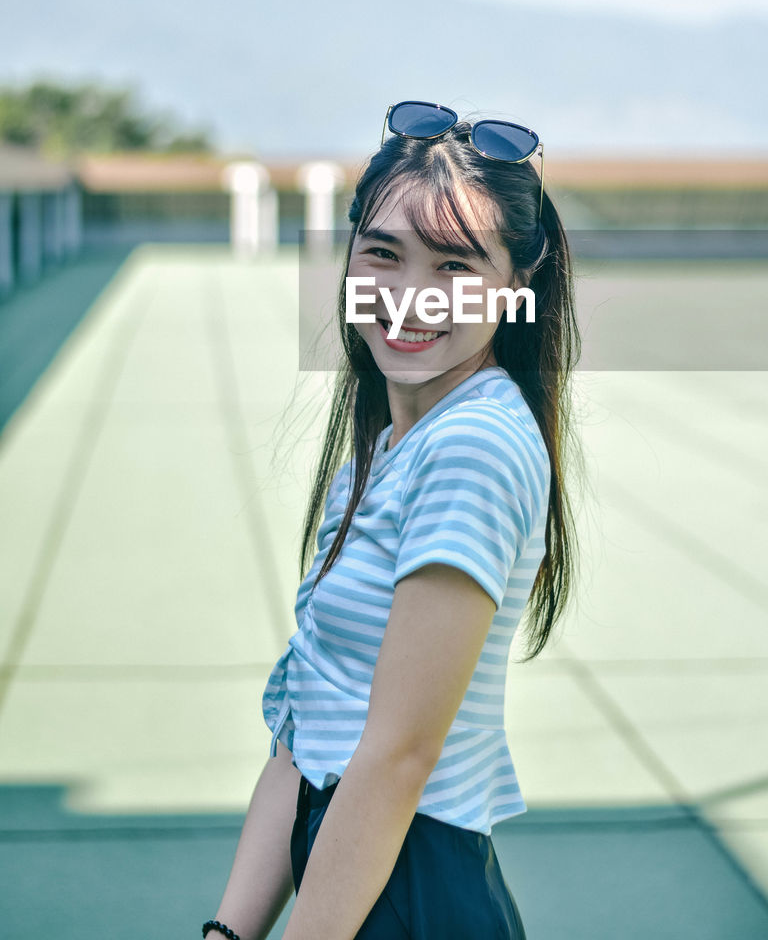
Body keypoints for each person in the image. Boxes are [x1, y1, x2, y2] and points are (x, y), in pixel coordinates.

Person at [204, 101, 585, 940]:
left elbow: (395, 759)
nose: (410, 297)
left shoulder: (473, 447)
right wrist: (228, 933)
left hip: (410, 900)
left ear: (516, 288)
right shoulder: (383, 449)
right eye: (383, 253)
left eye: (455, 266)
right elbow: (307, 734)